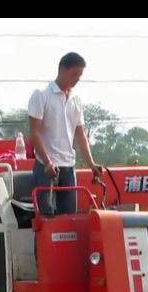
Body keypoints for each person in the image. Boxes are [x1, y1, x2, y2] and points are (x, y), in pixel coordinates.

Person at [28, 52, 102, 215]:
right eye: (74, 74)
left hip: (68, 166)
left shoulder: (76, 100)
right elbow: (34, 133)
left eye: (80, 75)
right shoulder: (41, 95)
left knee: (69, 220)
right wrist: (47, 162)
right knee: (46, 220)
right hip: (46, 167)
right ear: (62, 69)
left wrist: (91, 163)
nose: (77, 79)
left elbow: (80, 134)